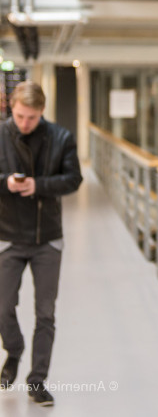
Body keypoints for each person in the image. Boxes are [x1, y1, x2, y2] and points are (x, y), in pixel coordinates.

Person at [0, 82, 82, 406]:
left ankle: (37, 381)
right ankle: (14, 350)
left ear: (42, 112)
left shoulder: (61, 137)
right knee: (3, 307)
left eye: (31, 118)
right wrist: (6, 183)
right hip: (8, 235)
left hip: (47, 238)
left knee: (45, 313)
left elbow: (74, 179)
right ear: (11, 109)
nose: (24, 123)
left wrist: (38, 185)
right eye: (20, 116)